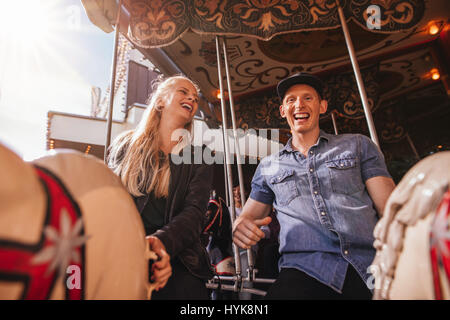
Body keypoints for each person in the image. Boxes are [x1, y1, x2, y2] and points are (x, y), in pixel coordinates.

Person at [232, 72, 396, 299]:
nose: (299, 104)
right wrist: (239, 227)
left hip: (367, 264)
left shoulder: (357, 145)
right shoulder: (268, 166)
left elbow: (390, 209)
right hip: (303, 269)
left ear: (322, 106)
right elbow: (247, 218)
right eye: (291, 100)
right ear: (282, 111)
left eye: (308, 98)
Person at [108, 75, 214, 299]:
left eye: (195, 97)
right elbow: (111, 201)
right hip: (128, 251)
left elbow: (194, 213)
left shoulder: (199, 157)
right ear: (160, 101)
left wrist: (160, 242)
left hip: (180, 258)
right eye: (183, 92)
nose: (192, 98)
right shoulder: (126, 146)